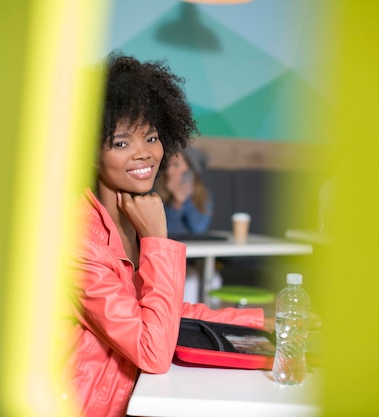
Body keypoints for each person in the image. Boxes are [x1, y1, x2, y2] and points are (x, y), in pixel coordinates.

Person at [64, 52, 265, 417]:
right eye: (121, 143)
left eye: (152, 138)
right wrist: (157, 237)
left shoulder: (128, 217)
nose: (144, 155)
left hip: (130, 397)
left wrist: (262, 321)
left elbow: (162, 313)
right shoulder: (77, 241)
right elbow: (152, 351)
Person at [155, 147, 213, 236]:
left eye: (175, 165)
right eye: (168, 165)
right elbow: (166, 233)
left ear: (189, 170)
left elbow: (198, 230)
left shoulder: (204, 195)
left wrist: (186, 199)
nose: (169, 171)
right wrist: (175, 205)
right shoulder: (157, 194)